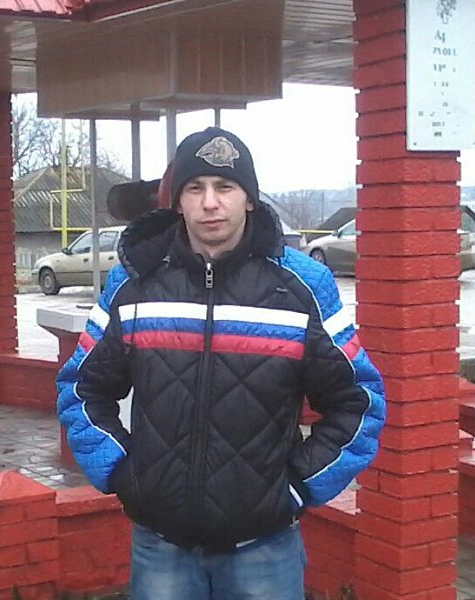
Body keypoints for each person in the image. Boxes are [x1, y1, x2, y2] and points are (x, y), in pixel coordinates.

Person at [57, 127, 385, 600]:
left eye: (225, 187)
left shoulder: (302, 287)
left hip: (265, 549)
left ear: (249, 198)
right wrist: (120, 473)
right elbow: (81, 388)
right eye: (195, 188)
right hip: (161, 546)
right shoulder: (134, 283)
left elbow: (359, 402)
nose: (210, 203)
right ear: (178, 201)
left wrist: (297, 487)